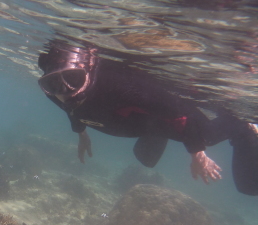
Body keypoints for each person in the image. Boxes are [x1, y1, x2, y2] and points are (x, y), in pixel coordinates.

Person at [37, 41, 258, 195]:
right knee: (146, 159)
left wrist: (197, 153)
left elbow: (181, 111)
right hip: (141, 123)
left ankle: (242, 124)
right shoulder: (55, 95)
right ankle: (155, 126)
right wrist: (81, 134)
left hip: (172, 116)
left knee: (207, 136)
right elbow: (71, 110)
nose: (66, 90)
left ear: (88, 71)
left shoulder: (122, 88)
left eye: (74, 79)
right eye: (53, 84)